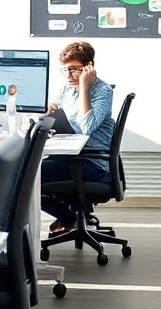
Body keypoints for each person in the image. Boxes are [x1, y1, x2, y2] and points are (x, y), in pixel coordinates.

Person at [41, 41, 115, 234]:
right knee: (21, 171)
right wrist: (48, 113)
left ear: (89, 67)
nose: (68, 75)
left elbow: (86, 127)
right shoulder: (67, 88)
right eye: (65, 70)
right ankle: (66, 216)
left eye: (74, 69)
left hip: (91, 162)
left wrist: (84, 88)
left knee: (24, 177)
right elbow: (59, 117)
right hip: (67, 157)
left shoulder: (103, 91)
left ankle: (68, 218)